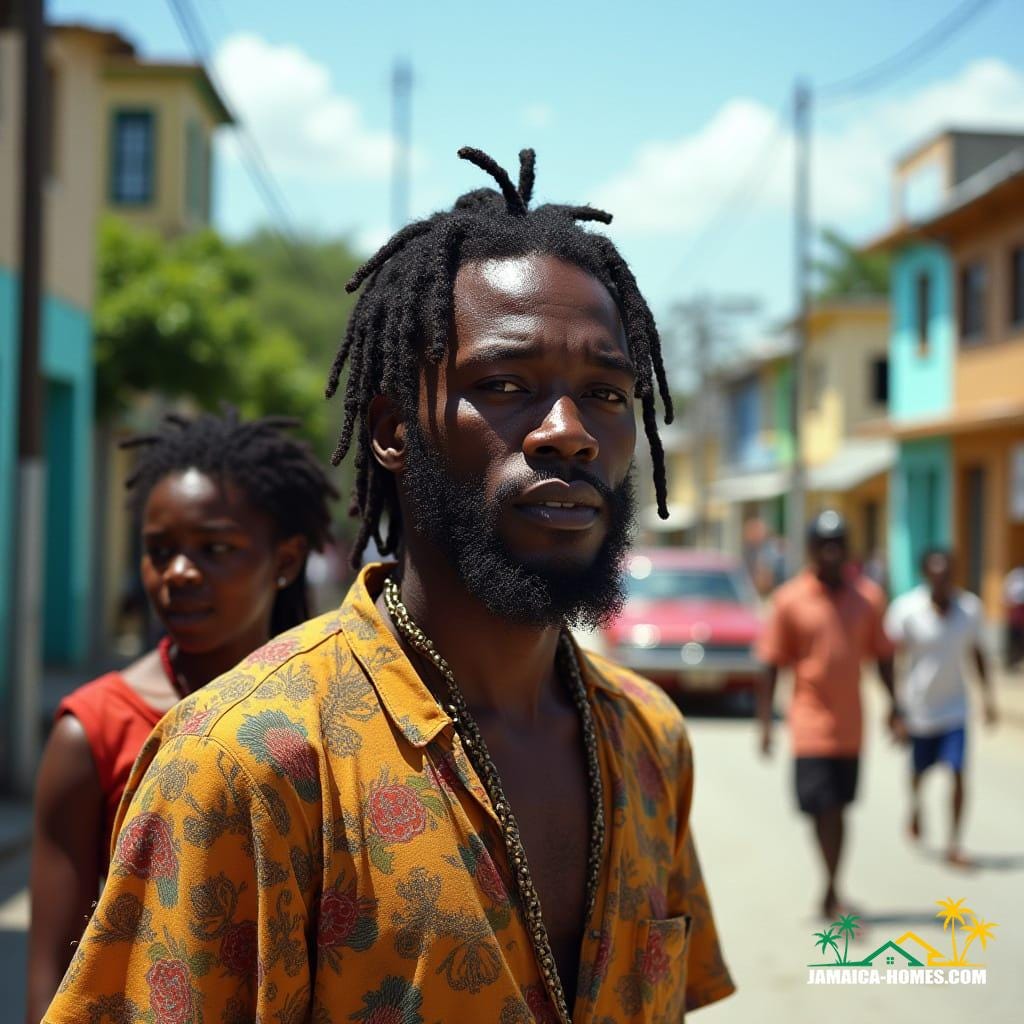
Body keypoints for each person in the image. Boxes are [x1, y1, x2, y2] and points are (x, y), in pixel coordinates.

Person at [43, 148, 734, 1023]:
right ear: (393, 431)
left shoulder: (650, 742)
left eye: (604, 392)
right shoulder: (247, 761)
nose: (570, 433)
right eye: (507, 384)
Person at [27, 409, 337, 1023]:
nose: (178, 574)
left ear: (286, 559)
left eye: (215, 548)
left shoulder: (340, 712)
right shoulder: (93, 729)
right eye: (159, 551)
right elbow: (54, 978)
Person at [756, 509, 902, 919]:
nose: (832, 552)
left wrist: (896, 707)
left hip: (851, 725)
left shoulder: (868, 598)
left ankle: (832, 887)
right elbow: (770, 664)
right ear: (811, 549)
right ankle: (833, 886)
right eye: (824, 545)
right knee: (821, 806)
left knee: (839, 806)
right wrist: (765, 724)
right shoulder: (790, 600)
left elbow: (885, 656)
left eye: (838, 544)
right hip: (808, 722)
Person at [885, 548, 997, 867]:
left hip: (955, 708)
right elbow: (894, 659)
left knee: (958, 772)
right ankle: (916, 805)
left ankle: (954, 843)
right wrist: (896, 707)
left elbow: (978, 653)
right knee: (919, 772)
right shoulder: (907, 610)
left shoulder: (969, 609)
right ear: (925, 576)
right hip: (919, 708)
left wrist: (988, 698)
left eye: (947, 574)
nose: (941, 581)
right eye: (935, 575)